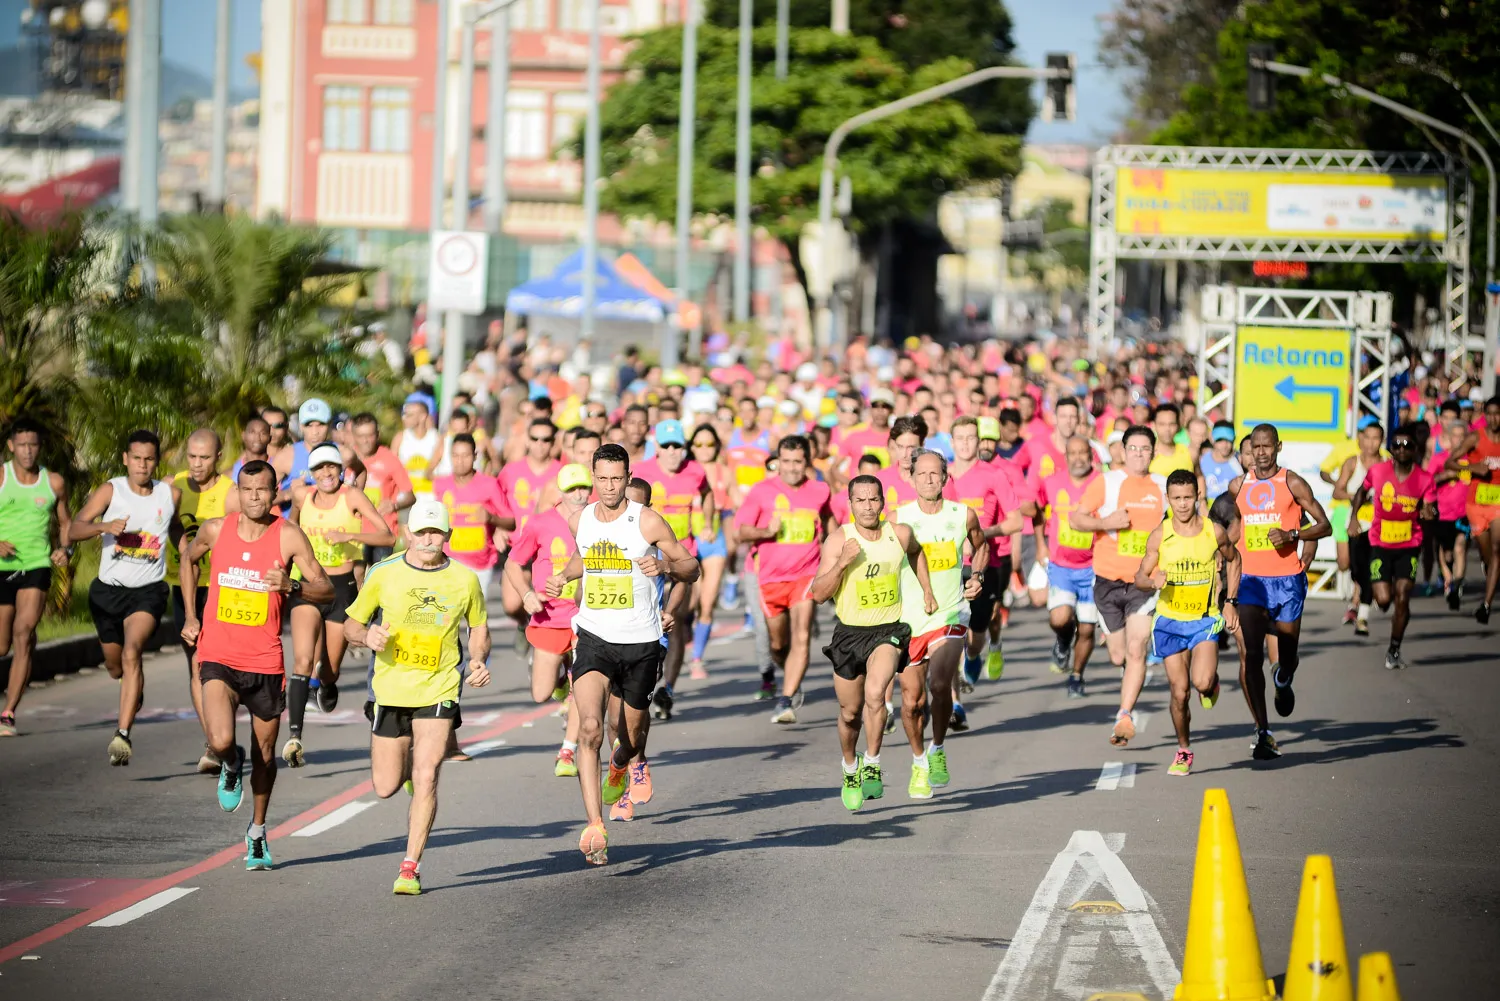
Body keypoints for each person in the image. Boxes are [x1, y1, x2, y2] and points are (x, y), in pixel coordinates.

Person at [542, 443, 700, 866]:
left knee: (626, 736)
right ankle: (595, 824)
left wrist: (665, 567)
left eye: (618, 479)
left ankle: (622, 765)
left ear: (628, 478)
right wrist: (562, 575)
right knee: (590, 728)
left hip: (641, 642)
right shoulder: (582, 519)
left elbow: (692, 567)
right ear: (593, 478)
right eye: (603, 479)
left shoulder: (646, 520)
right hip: (593, 636)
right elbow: (584, 558)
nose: (610, 487)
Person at [179, 460, 333, 870]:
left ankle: (257, 832)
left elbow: (325, 588)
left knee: (266, 756)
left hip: (264, 662)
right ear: (238, 491)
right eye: (247, 490)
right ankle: (230, 763)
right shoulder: (216, 530)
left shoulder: (288, 536)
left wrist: (293, 585)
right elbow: (187, 558)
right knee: (221, 738)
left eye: (262, 490)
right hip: (218, 656)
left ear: (274, 491)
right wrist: (191, 617)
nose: (254, 497)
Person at [344, 497, 492, 894]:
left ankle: (409, 867)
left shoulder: (464, 580)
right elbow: (350, 625)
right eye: (421, 532)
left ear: (448, 536)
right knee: (385, 786)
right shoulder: (383, 574)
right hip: (391, 690)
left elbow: (478, 626)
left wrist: (477, 659)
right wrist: (366, 635)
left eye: (436, 533)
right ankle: (408, 769)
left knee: (427, 776)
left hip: (439, 687)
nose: (428, 540)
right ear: (408, 533)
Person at [810, 474, 935, 811]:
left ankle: (873, 761)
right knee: (850, 713)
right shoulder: (839, 541)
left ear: (883, 502)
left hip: (888, 630)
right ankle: (850, 767)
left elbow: (917, 553)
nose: (868, 507)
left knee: (876, 693)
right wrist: (842, 563)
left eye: (873, 500)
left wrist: (926, 590)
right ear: (850, 505)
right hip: (850, 634)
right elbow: (819, 594)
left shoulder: (900, 533)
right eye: (861, 501)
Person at [72, 430, 181, 766]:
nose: (142, 465)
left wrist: (189, 548)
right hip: (108, 592)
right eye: (136, 458)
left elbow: (174, 529)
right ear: (125, 459)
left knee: (133, 653)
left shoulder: (168, 493)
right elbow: (73, 529)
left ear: (156, 460)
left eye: (149, 459)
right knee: (115, 666)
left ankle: (122, 735)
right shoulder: (111, 490)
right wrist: (104, 528)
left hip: (148, 592)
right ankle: (132, 690)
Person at [1225, 424, 1330, 760]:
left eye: (1266, 446)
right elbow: (1227, 534)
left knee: (1287, 655)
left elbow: (1324, 526)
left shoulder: (1292, 482)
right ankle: (1263, 732)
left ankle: (1284, 679)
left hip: (1287, 580)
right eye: (1255, 447)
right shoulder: (1237, 486)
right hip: (1251, 580)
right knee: (1252, 654)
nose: (1260, 453)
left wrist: (1293, 536)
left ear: (1278, 447)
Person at [283, 444, 393, 765]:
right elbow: (286, 529)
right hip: (308, 586)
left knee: (328, 668)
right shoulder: (303, 498)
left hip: (341, 591)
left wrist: (349, 539)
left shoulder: (352, 498)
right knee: (303, 660)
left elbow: (386, 537)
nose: (326, 474)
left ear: (340, 470)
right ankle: (294, 738)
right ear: (312, 474)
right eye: (320, 469)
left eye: (332, 467)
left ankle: (327, 684)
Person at [1135, 469, 1240, 777]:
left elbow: (1234, 560)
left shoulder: (1213, 532)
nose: (1182, 504)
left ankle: (1212, 684)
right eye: (1176, 498)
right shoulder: (1160, 534)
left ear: (1197, 498)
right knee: (1179, 692)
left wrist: (1231, 602)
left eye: (1188, 498)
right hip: (1169, 622)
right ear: (1168, 499)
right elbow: (1139, 576)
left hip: (1203, 620)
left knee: (1202, 683)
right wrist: (1152, 580)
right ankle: (1183, 750)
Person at [1069, 425, 1166, 747]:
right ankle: (1118, 661)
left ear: (1154, 451)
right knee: (1118, 656)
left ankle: (1124, 713)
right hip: (1108, 582)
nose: (1139, 454)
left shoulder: (1163, 487)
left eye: (1145, 448)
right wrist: (1105, 523)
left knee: (1137, 648)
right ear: (1123, 451)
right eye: (1133, 448)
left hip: (1144, 583)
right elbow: (1076, 519)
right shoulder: (1107, 483)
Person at [897, 451, 985, 796]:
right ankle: (919, 761)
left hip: (950, 613)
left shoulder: (962, 515)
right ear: (912, 478)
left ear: (946, 478)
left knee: (938, 685)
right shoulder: (899, 520)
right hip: (909, 619)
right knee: (911, 700)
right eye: (922, 474)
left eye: (936, 474)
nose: (929, 480)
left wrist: (976, 574)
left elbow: (981, 546)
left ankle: (937, 747)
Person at [733, 434, 834, 724]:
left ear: (807, 462)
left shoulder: (819, 490)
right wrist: (766, 532)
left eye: (797, 462)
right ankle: (790, 673)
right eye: (786, 462)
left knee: (802, 635)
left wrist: (833, 550)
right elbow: (740, 531)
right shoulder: (761, 491)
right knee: (779, 646)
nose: (791, 468)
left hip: (805, 576)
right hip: (770, 579)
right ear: (778, 462)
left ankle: (786, 699)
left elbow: (828, 521)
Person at [502, 462, 591, 775]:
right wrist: (527, 595)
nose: (579, 494)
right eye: (572, 489)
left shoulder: (598, 521)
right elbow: (513, 565)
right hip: (549, 615)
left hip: (587, 618)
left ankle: (567, 751)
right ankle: (559, 682)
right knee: (541, 693)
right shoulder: (541, 523)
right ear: (561, 493)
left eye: (584, 488)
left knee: (583, 687)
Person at [167, 428, 239, 772]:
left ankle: (220, 737)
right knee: (196, 662)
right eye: (192, 457)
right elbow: (164, 522)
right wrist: (181, 545)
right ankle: (214, 742)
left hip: (220, 587)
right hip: (184, 586)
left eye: (205, 458)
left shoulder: (230, 493)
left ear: (218, 458)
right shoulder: (174, 487)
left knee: (218, 666)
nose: (196, 465)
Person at [635, 419, 713, 718]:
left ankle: (668, 687)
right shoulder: (642, 471)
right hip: (649, 556)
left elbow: (707, 496)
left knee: (676, 620)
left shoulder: (695, 471)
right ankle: (648, 669)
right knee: (648, 614)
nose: (671, 452)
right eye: (666, 446)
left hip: (683, 556)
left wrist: (706, 523)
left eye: (677, 446)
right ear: (656, 447)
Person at [0, 419, 71, 737]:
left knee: (24, 632)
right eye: (22, 445)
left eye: (34, 445)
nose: (28, 451)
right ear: (11, 446)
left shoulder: (53, 482)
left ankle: (8, 713)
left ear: (39, 448)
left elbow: (66, 522)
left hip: (37, 565)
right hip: (2, 568)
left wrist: (64, 549)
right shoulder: (1, 476)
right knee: (2, 645)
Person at [948, 416, 1020, 722]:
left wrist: (981, 534)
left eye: (970, 438)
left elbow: (1016, 521)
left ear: (979, 442)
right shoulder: (941, 476)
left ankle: (975, 654)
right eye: (959, 438)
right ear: (951, 443)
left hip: (983, 562)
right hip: (947, 566)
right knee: (949, 633)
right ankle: (954, 704)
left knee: (976, 632)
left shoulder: (994, 475)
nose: (965, 444)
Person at [1352, 426, 1437, 669]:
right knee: (1384, 599)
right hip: (1380, 542)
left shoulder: (1424, 478)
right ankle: (1384, 606)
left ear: (1415, 450)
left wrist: (1429, 512)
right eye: (1397, 445)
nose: (1401, 449)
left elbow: (1431, 508)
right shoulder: (1378, 471)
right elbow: (1361, 491)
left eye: (1407, 445)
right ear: (1390, 449)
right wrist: (1354, 518)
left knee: (1402, 597)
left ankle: (1394, 648)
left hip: (1409, 544)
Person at [1030, 435, 1101, 698]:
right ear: (1067, 456)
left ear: (1091, 455)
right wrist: (1040, 544)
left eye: (1084, 452)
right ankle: (1062, 641)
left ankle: (1077, 675)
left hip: (1093, 566)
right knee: (1060, 618)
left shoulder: (1101, 483)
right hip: (1061, 565)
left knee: (1086, 627)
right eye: (1073, 453)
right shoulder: (1053, 482)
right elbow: (1037, 510)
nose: (1079, 457)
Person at [432, 434, 512, 598]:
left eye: (466, 455)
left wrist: (491, 518)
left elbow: (511, 521)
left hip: (480, 565)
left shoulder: (489, 484)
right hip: (448, 563)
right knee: (448, 617)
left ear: (475, 456)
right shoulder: (441, 485)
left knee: (476, 619)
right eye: (455, 455)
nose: (460, 461)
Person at [687, 424, 737, 678]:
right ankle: (684, 636)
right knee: (691, 602)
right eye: (699, 444)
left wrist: (731, 543)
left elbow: (732, 509)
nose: (705, 450)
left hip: (714, 543)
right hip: (687, 544)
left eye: (710, 444)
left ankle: (696, 659)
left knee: (707, 604)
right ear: (691, 447)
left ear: (717, 447)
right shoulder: (685, 472)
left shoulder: (724, 473)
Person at [1448, 396, 1500, 623]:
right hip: (1477, 505)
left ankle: (1486, 605)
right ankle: (1490, 572)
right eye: (1489, 413)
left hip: (1498, 503)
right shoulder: (1475, 438)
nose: (1493, 418)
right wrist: (1472, 468)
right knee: (1488, 555)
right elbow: (1450, 462)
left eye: (1497, 413)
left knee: (1498, 549)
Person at [1336, 418, 1386, 634]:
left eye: (1376, 438)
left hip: (1380, 526)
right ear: (1361, 439)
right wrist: (1357, 497)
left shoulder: (1387, 464)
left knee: (1369, 569)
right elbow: (1337, 491)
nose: (1371, 443)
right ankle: (1356, 598)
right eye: (1368, 437)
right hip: (1356, 523)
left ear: (1382, 441)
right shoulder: (1352, 463)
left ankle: (1362, 616)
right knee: (1354, 567)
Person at [350, 412, 415, 567]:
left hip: (382, 532)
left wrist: (394, 505)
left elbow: (410, 496)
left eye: (370, 435)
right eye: (360, 436)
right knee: (356, 580)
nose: (365, 441)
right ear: (353, 436)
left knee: (379, 579)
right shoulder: (346, 458)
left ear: (377, 435)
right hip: (354, 531)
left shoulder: (390, 459)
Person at [1429, 421, 1470, 611]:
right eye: (1456, 435)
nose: (1459, 439)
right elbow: (1428, 481)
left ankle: (1456, 585)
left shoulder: (1473, 458)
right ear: (1448, 437)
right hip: (1443, 512)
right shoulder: (1439, 458)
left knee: (1460, 547)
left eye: (1463, 436)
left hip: (1465, 513)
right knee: (1446, 551)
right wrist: (1446, 475)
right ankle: (1448, 577)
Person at [392, 394, 441, 497]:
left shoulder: (437, 438)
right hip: (405, 498)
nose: (404, 418)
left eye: (409, 415)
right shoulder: (400, 438)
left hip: (431, 498)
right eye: (404, 414)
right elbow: (391, 469)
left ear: (423, 417)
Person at [1200, 422, 1242, 500]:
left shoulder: (1239, 460)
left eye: (1228, 440)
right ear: (1212, 439)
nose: (1224, 445)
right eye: (1220, 440)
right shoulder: (1202, 460)